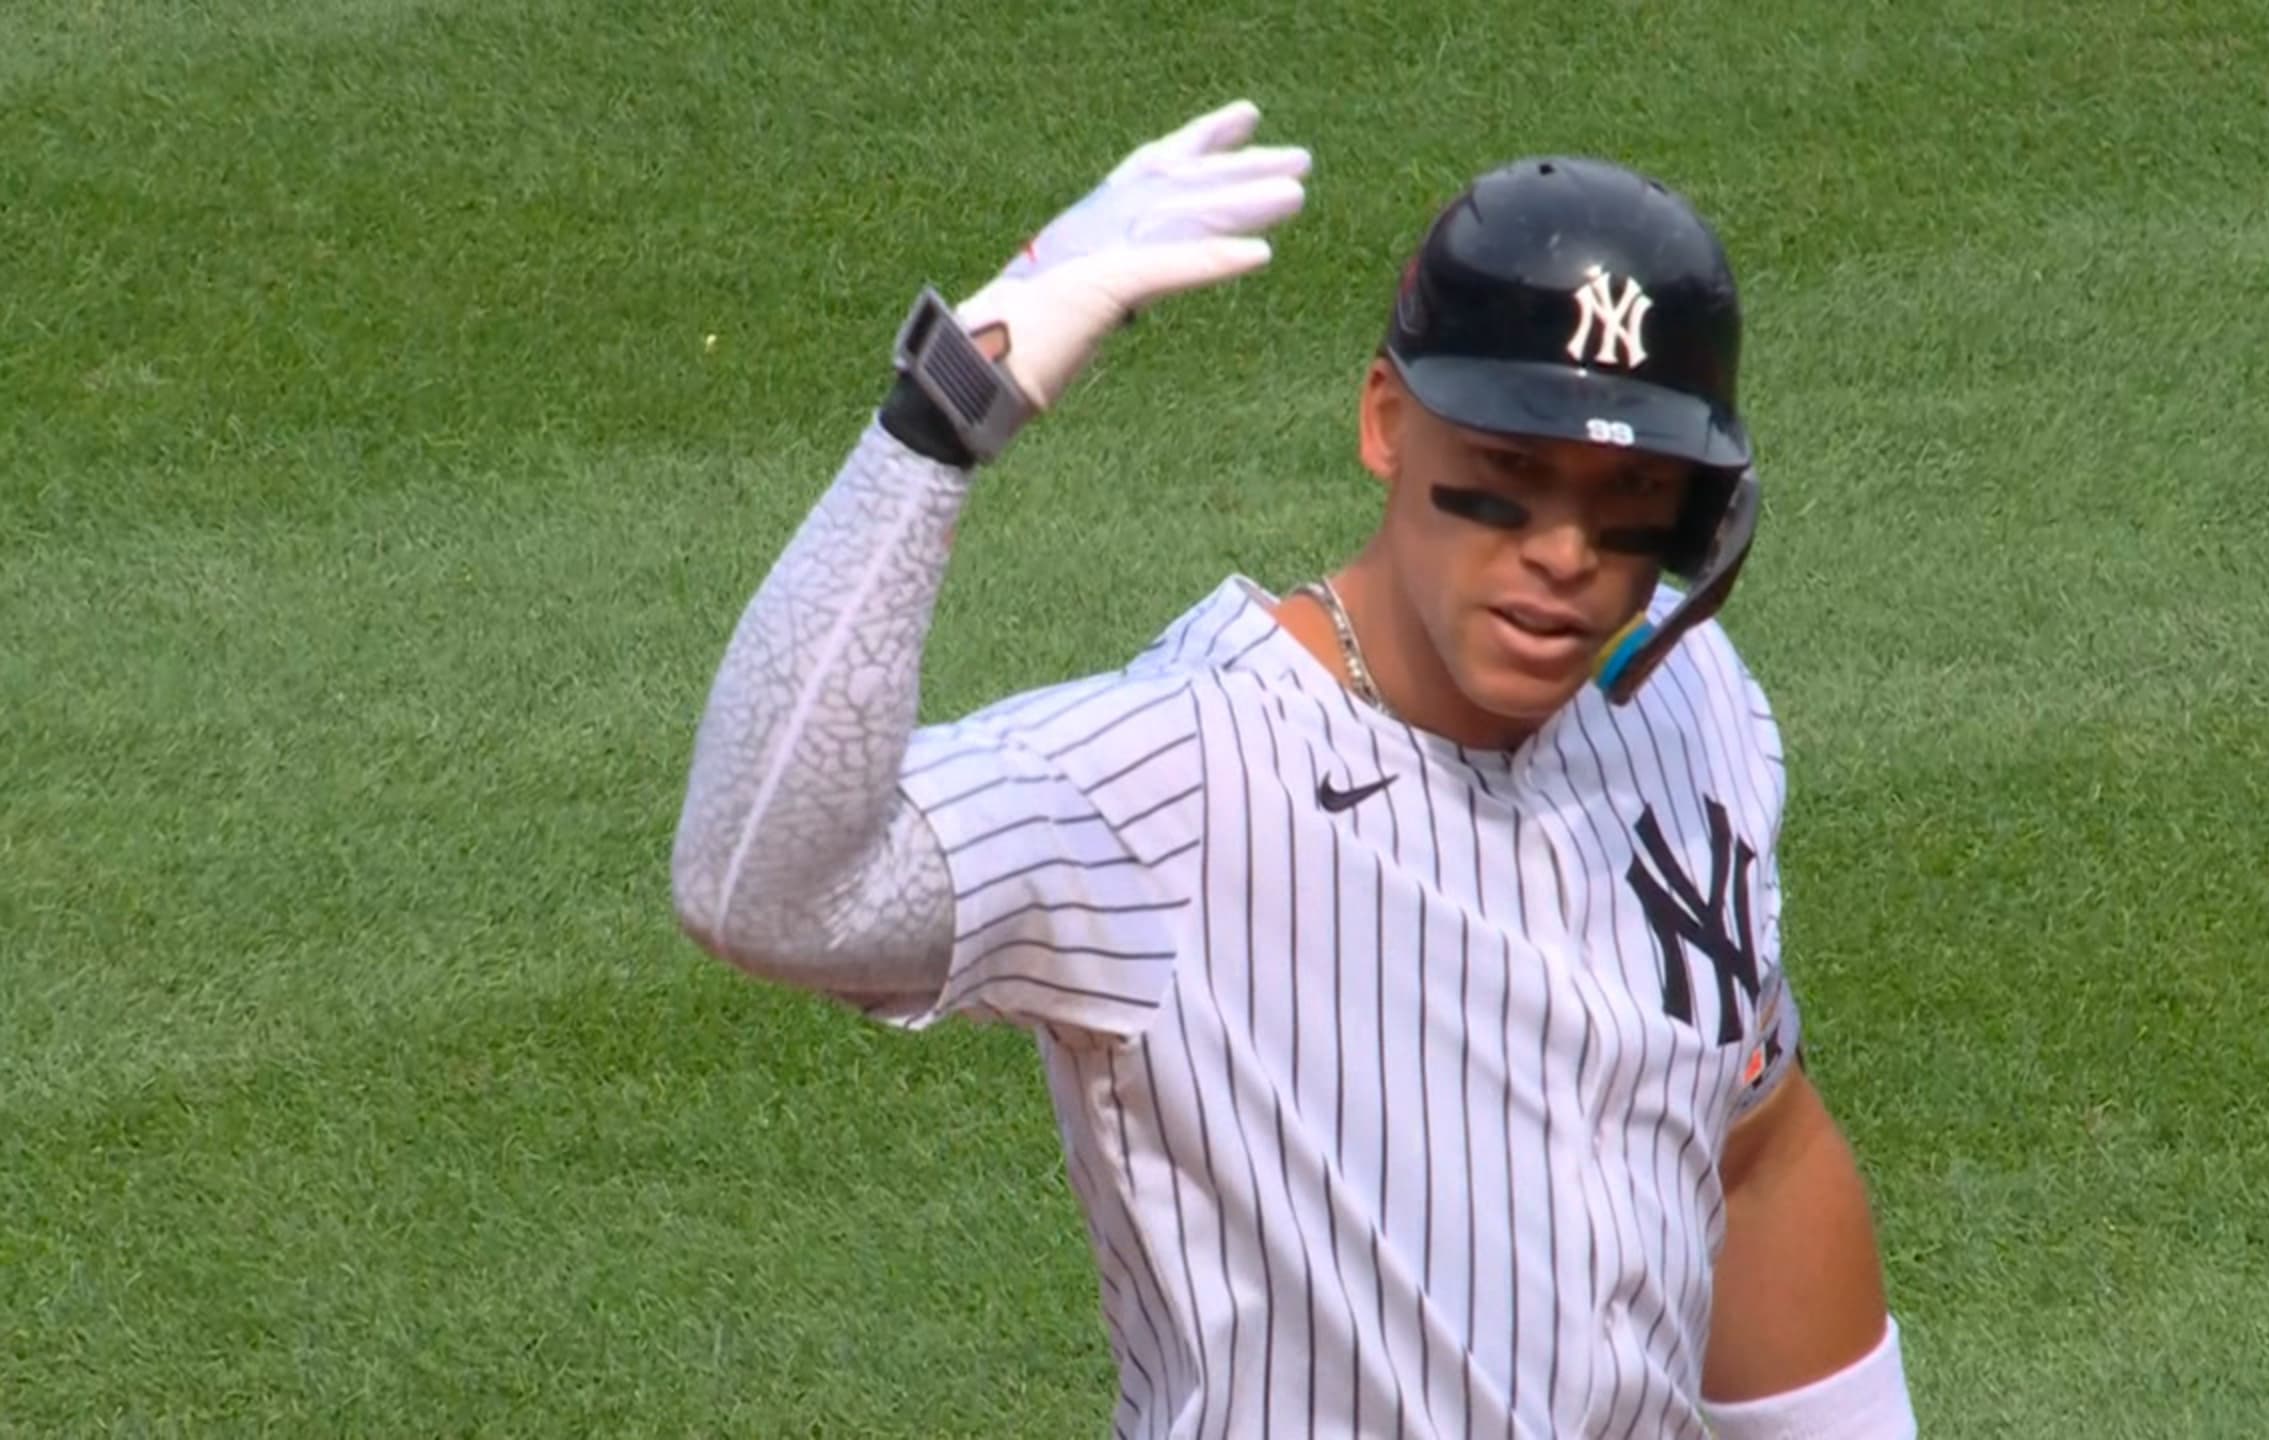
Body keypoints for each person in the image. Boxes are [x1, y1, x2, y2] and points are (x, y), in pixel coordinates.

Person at [670, 99, 1916, 1439]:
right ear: (1386, 423)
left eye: (1625, 499)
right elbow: (764, 891)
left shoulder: (1687, 702)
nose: (1563, 553)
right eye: (1509, 471)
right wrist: (941, 413)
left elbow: (1753, 1147)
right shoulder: (1182, 777)